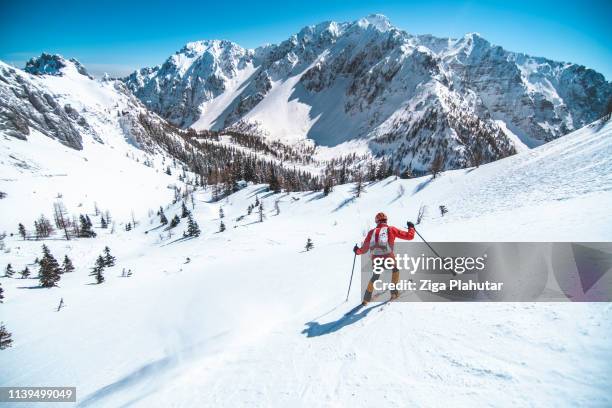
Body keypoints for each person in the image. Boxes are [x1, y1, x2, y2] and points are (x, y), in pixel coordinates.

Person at [354, 212, 415, 305]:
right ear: (386, 220)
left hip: (376, 259)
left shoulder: (371, 232)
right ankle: (394, 293)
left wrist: (357, 251)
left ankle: (366, 299)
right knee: (395, 270)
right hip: (388, 256)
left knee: (375, 276)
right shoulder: (391, 229)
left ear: (376, 221)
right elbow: (409, 236)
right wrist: (411, 228)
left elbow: (364, 249)